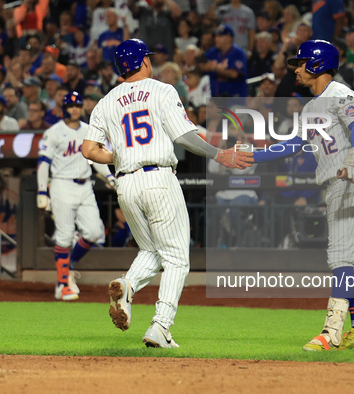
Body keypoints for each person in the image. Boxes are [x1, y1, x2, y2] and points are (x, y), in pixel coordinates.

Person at [82, 38, 253, 348]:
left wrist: (119, 155)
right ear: (144, 62)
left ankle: (127, 284)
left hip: (126, 183)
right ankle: (160, 326)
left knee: (151, 251)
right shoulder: (162, 89)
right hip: (158, 177)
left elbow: (89, 150)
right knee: (177, 259)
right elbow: (184, 135)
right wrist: (220, 155)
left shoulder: (106, 101)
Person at [251, 40, 354, 351]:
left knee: (341, 259)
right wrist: (252, 156)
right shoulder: (310, 106)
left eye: (301, 62)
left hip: (353, 180)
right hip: (339, 185)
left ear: (318, 64)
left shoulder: (341, 93)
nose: (296, 68)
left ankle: (332, 331)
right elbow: (292, 144)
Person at [37, 91, 117, 301]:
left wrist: (109, 176)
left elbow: (96, 157)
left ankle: (68, 265)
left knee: (93, 232)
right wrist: (41, 191)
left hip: (85, 186)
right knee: (64, 235)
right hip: (62, 184)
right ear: (65, 109)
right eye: (71, 105)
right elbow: (43, 163)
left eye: (77, 105)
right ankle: (62, 284)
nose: (74, 108)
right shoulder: (54, 132)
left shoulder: (89, 130)